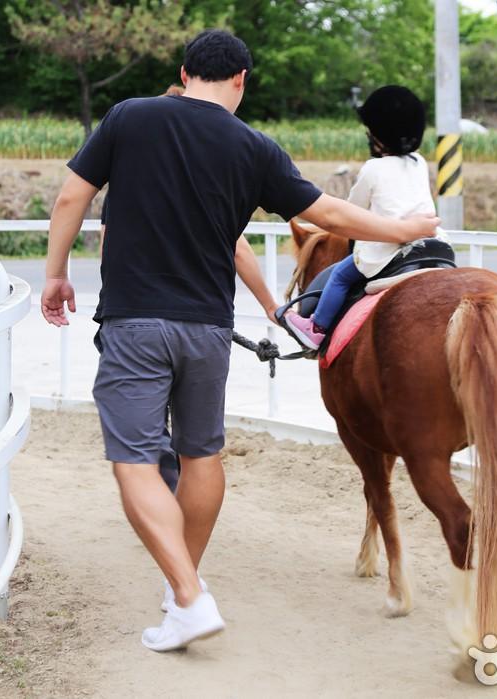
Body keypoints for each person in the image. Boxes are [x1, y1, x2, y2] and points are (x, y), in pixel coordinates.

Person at [41, 30, 439, 653]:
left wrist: (56, 272)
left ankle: (190, 596)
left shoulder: (129, 117)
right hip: (207, 331)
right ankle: (181, 597)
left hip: (136, 324)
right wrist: (404, 226)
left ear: (183, 70)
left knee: (134, 460)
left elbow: (72, 194)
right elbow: (326, 215)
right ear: (242, 80)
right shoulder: (254, 147)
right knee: (201, 456)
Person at [282, 85, 443, 350]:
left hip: (389, 249)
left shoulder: (373, 168)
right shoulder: (420, 162)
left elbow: (352, 213)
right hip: (431, 245)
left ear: (378, 137)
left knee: (341, 276)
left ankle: (316, 328)